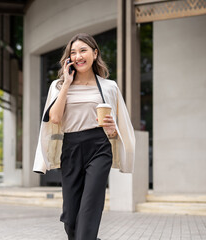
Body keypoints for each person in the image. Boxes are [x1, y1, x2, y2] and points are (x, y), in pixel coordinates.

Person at [33, 33, 136, 240]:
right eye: (73, 52)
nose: (78, 56)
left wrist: (113, 128)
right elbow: (54, 118)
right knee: (71, 221)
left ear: (95, 53)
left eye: (83, 50)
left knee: (89, 210)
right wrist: (67, 82)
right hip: (71, 148)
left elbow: (119, 124)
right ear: (69, 58)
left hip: (99, 147)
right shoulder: (58, 86)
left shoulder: (109, 86)